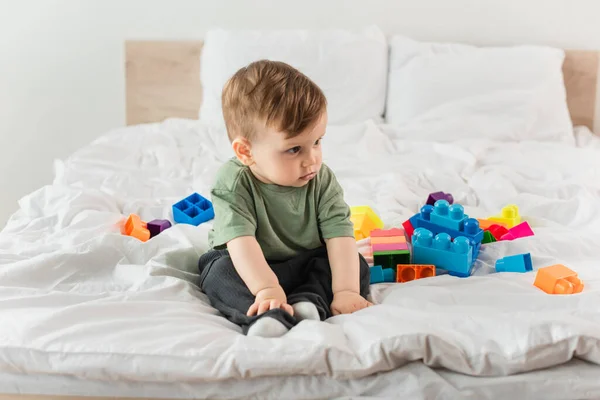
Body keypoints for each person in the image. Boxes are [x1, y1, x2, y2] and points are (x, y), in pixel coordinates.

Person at [198, 60, 372, 337]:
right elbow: (241, 243)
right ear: (246, 152)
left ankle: (308, 302)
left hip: (305, 259)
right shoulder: (233, 182)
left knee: (353, 263)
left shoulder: (322, 179)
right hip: (250, 264)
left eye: (317, 141)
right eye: (294, 149)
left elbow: (339, 235)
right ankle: (265, 315)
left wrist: (347, 291)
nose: (312, 159)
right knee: (217, 271)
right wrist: (267, 289)